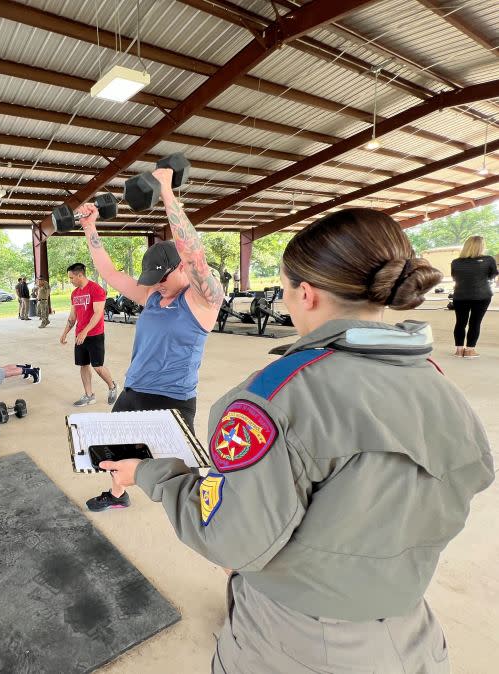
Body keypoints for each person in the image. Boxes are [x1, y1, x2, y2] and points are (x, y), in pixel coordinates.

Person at [100, 208, 494, 673]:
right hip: (415, 636)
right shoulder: (435, 381)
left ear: (305, 294)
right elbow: (469, 477)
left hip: (298, 641)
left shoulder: (275, 396)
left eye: (285, 290)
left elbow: (231, 540)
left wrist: (149, 471)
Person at [75, 169, 222, 512]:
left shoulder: (202, 302)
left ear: (180, 268)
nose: (155, 285)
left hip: (173, 399)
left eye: (161, 279)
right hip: (133, 390)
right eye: (152, 281)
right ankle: (117, 495)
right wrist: (89, 226)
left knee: (173, 473)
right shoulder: (153, 297)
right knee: (110, 452)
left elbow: (195, 255)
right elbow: (110, 274)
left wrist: (167, 193)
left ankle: (210, 516)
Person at [60, 263, 117, 407]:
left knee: (98, 367)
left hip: (95, 334)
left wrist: (85, 331)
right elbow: (73, 317)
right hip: (80, 336)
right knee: (83, 365)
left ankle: (112, 386)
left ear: (80, 275)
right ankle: (89, 395)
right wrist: (65, 332)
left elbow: (98, 313)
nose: (70, 281)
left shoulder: (96, 289)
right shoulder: (75, 294)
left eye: (72, 278)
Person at [450, 235, 497, 358]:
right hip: (482, 296)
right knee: (475, 322)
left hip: (460, 295)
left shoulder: (455, 262)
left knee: (460, 322)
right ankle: (470, 350)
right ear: (481, 246)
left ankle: (459, 351)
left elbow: (455, 277)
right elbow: (492, 276)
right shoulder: (488, 260)